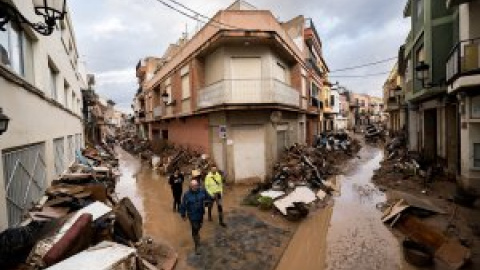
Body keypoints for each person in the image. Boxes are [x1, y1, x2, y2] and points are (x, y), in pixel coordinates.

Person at [179, 179, 210, 255]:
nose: (195, 187)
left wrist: (208, 202)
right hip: (192, 215)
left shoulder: (202, 191)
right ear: (190, 186)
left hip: (200, 214)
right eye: (193, 186)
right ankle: (197, 246)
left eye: (196, 185)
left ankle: (196, 235)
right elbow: (183, 205)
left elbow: (208, 198)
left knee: (199, 227)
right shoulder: (187, 195)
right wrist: (183, 215)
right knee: (195, 228)